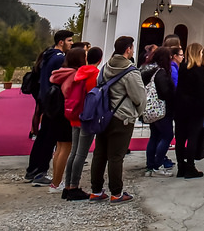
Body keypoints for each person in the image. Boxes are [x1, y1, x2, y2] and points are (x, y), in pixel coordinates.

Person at [89, 35, 145, 203]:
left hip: (104, 114)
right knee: (116, 156)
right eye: (132, 47)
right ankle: (116, 192)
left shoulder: (106, 66)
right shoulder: (130, 71)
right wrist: (137, 113)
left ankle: (96, 191)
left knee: (100, 153)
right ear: (128, 49)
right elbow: (139, 97)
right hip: (122, 116)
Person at [25, 30, 75, 185]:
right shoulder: (59, 58)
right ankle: (40, 172)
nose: (71, 43)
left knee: (42, 137)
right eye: (69, 40)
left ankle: (32, 169)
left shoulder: (48, 55)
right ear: (61, 42)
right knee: (50, 139)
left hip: (46, 99)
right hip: (55, 102)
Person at [63, 45, 103, 200]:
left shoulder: (79, 72)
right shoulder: (95, 75)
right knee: (81, 153)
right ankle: (74, 186)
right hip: (87, 116)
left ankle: (67, 186)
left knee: (73, 152)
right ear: (100, 59)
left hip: (75, 113)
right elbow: (95, 97)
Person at [46, 47, 85, 193]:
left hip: (56, 113)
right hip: (67, 114)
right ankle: (57, 183)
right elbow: (72, 94)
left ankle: (55, 181)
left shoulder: (60, 73)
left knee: (59, 148)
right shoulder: (74, 75)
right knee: (66, 149)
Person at [175, 42, 204, 179]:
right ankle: (190, 167)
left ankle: (181, 166)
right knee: (192, 137)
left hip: (181, 108)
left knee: (180, 138)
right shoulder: (199, 70)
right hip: (195, 108)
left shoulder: (183, 68)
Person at [142, 46, 176, 176]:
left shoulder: (147, 69)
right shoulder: (160, 72)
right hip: (161, 108)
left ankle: (150, 165)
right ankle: (157, 165)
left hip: (150, 108)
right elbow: (165, 92)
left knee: (154, 136)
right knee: (167, 136)